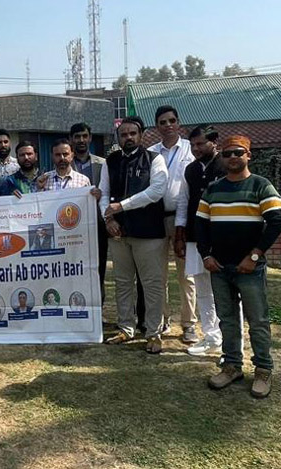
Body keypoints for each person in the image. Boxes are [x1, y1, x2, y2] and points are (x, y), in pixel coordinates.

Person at [197, 134, 281, 398]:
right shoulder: (213, 189)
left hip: (250, 268)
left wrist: (254, 256)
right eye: (227, 154)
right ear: (222, 158)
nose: (233, 157)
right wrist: (205, 256)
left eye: (238, 152)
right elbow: (200, 225)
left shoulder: (261, 185)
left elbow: (277, 222)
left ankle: (263, 370)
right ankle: (232, 365)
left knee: (257, 320)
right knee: (227, 320)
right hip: (219, 267)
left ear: (248, 155)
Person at [100, 116, 169, 354]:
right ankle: (125, 328)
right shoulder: (111, 161)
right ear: (118, 138)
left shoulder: (154, 159)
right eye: (123, 134)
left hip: (148, 231)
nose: (128, 138)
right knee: (123, 283)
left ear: (141, 135)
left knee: (152, 284)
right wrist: (108, 219)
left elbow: (157, 191)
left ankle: (154, 332)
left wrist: (121, 206)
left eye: (132, 133)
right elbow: (104, 193)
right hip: (118, 232)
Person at [148, 105, 198, 342]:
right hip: (156, 219)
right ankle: (163, 319)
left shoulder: (190, 149)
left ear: (178, 123)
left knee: (186, 275)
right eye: (162, 122)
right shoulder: (150, 153)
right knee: (158, 276)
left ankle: (189, 324)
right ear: (156, 127)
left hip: (183, 219)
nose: (168, 125)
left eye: (171, 121)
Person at [175, 124, 225, 356]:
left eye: (200, 144)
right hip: (196, 237)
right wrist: (180, 233)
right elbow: (184, 202)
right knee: (203, 289)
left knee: (225, 290)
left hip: (222, 237)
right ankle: (211, 337)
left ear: (214, 142)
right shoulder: (190, 170)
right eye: (193, 144)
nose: (195, 148)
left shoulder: (226, 164)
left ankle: (229, 339)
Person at [70, 123, 109, 305]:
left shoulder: (103, 164)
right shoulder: (63, 162)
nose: (81, 140)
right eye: (77, 137)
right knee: (74, 269)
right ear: (71, 139)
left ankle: (98, 308)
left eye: (84, 136)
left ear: (90, 138)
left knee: (98, 268)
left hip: (97, 225)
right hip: (72, 228)